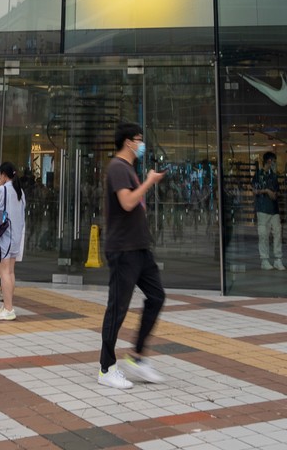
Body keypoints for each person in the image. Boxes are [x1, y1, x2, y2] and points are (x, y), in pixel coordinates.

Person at [97, 122, 167, 390]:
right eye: (139, 139)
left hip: (139, 248)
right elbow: (127, 202)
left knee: (157, 296)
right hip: (123, 249)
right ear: (128, 141)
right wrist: (149, 182)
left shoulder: (128, 169)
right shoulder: (117, 167)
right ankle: (106, 368)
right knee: (118, 308)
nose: (141, 144)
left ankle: (137, 357)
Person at [0, 162, 26, 322]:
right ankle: (7, 305)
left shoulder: (3, 189)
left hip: (3, 236)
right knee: (10, 272)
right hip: (14, 237)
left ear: (3, 174)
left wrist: (0, 185)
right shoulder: (19, 191)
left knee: (4, 272)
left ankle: (8, 308)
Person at [253, 151, 284, 271]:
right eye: (274, 161)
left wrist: (270, 193)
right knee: (263, 234)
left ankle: (278, 259)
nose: (275, 163)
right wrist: (266, 191)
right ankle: (264, 259)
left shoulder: (274, 176)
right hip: (262, 208)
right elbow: (255, 190)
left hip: (274, 209)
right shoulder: (258, 175)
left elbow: (275, 193)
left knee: (277, 233)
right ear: (269, 161)